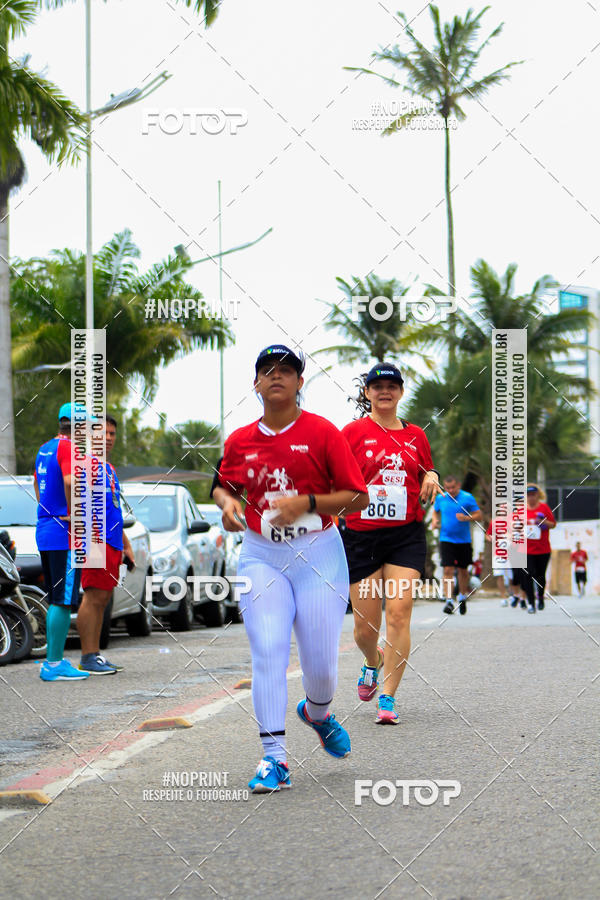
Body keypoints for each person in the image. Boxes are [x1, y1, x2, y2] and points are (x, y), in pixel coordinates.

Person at [211, 344, 368, 793]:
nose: (276, 376)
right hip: (261, 555)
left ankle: (317, 714)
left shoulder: (322, 433)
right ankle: (273, 758)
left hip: (318, 551)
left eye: (286, 370)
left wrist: (308, 502)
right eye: (267, 370)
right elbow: (224, 488)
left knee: (319, 664)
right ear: (256, 384)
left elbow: (358, 496)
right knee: (269, 651)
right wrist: (228, 505)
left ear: (300, 383)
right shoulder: (240, 439)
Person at [340, 363, 439, 725]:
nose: (385, 391)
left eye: (392, 386)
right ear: (366, 393)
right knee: (365, 629)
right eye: (377, 386)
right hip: (361, 536)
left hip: (405, 536)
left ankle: (388, 697)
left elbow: (427, 469)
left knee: (399, 612)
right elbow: (332, 472)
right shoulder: (351, 433)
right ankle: (372, 660)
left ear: (400, 392)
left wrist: (432, 474)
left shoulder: (416, 435)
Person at [34, 404, 90, 681]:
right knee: (63, 600)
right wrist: (72, 512)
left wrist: (49, 508)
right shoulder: (69, 448)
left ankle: (52, 661)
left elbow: (36, 484)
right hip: (64, 533)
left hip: (45, 528)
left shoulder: (44, 448)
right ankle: (54, 665)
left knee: (56, 600)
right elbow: (70, 481)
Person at [77, 415, 135, 674]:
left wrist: (126, 544)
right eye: (104, 433)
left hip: (112, 541)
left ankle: (95, 654)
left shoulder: (108, 469)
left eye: (112, 433)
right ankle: (88, 656)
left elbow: (115, 509)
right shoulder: (85, 466)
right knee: (93, 596)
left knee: (103, 598)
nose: (109, 438)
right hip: (94, 540)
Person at [432, 475, 482, 615]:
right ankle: (449, 601)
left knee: (463, 570)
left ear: (458, 485)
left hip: (464, 540)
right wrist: (435, 521)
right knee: (447, 569)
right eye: (447, 488)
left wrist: (466, 518)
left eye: (453, 487)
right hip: (446, 539)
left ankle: (462, 597)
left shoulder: (467, 497)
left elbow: (479, 515)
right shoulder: (441, 497)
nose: (451, 490)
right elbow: (436, 512)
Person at [514, 484, 556, 613]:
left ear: (538, 495)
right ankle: (531, 603)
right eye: (529, 495)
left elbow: (553, 524)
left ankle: (540, 597)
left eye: (533, 495)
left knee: (540, 575)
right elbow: (515, 526)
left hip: (543, 549)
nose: (531, 497)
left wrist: (544, 522)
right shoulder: (520, 510)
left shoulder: (544, 508)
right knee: (527, 575)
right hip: (525, 549)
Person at [484, 522, 510, 605]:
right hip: (498, 553)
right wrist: (491, 538)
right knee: (499, 575)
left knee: (512, 576)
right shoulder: (494, 522)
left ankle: (514, 594)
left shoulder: (513, 520)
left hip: (512, 553)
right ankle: (503, 597)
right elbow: (488, 535)